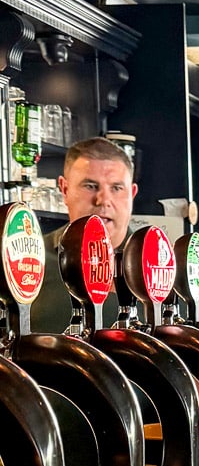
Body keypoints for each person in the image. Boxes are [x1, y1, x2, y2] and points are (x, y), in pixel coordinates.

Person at [31, 136, 141, 334]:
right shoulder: (28, 263)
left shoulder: (157, 267)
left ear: (132, 194)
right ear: (64, 190)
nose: (103, 200)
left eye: (116, 188)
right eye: (90, 186)